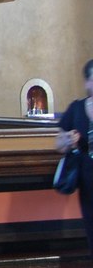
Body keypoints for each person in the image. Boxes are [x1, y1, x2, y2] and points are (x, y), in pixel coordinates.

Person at [56, 59, 93, 256]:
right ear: (87, 82)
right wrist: (68, 140)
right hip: (88, 182)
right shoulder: (76, 109)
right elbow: (59, 145)